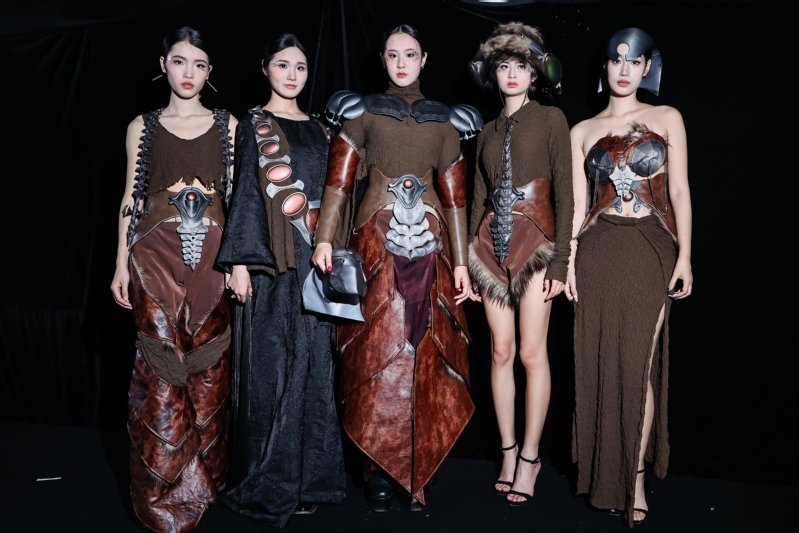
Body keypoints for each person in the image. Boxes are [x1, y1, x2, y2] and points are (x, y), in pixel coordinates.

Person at [311, 24, 482, 511]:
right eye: (393, 55)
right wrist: (324, 240)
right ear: (382, 60)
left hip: (432, 252)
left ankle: (421, 466)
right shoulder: (362, 112)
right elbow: (338, 184)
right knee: (376, 353)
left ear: (424, 59)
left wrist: (462, 263)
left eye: (410, 54)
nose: (402, 63)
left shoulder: (445, 122)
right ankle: (379, 469)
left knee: (428, 350)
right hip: (375, 243)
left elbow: (456, 201)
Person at [109, 26, 237, 533]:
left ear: (209, 72)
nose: (189, 73)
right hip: (153, 254)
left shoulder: (228, 125)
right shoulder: (142, 126)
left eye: (199, 65)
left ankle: (203, 486)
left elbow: (240, 201)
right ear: (163, 65)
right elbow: (130, 198)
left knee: (208, 369)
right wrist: (121, 264)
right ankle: (160, 499)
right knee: (160, 369)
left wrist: (241, 263)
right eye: (180, 62)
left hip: (214, 258)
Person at [216, 34, 345, 526]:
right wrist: (240, 263)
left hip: (316, 263)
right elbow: (247, 191)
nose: (292, 75)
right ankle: (269, 482)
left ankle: (312, 481)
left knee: (315, 369)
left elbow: (336, 196)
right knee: (271, 372)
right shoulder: (253, 125)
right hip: (270, 265)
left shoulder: (320, 129)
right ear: (265, 68)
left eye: (301, 67)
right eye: (283, 65)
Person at [567, 28, 693, 527]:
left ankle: (635, 477)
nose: (623, 69)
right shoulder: (581, 130)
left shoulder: (668, 118)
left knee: (638, 363)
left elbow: (679, 191)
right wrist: (567, 262)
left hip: (651, 246)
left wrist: (686, 255)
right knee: (599, 361)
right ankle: (606, 477)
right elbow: (578, 206)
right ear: (605, 66)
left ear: (646, 68)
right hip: (597, 249)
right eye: (616, 59)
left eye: (633, 61)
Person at [466, 22, 573, 506]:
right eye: (504, 66)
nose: (512, 74)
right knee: (500, 352)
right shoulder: (486, 131)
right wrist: (468, 260)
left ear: (535, 73)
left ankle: (531, 457)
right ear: (493, 73)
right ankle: (507, 452)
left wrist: (561, 263)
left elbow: (566, 194)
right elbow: (477, 199)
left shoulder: (551, 119)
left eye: (521, 66)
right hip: (491, 246)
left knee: (532, 354)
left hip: (538, 243)